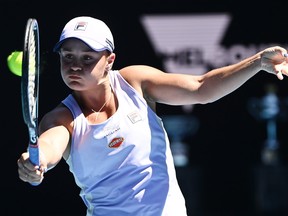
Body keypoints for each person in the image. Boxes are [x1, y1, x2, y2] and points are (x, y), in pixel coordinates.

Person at [17, 16, 288, 216]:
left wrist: (259, 62)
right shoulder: (61, 118)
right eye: (67, 57)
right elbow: (49, 146)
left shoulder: (135, 82)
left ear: (110, 60)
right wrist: (36, 163)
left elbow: (201, 88)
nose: (75, 66)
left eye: (87, 58)